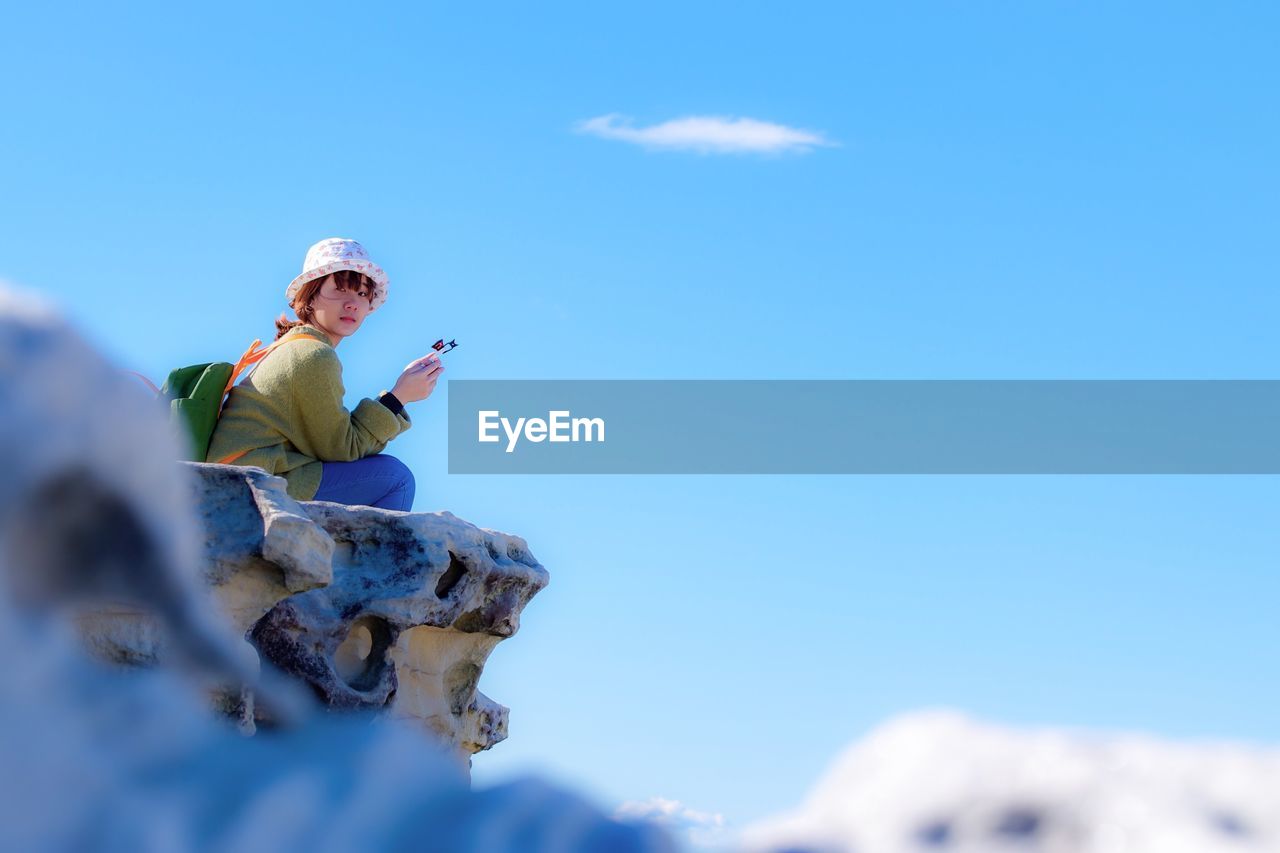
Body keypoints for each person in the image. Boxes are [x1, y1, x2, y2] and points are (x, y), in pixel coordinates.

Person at [206, 238, 443, 511]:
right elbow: (343, 450)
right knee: (395, 478)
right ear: (310, 295)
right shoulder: (312, 355)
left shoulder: (293, 346)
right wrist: (397, 398)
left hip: (240, 478)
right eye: (340, 290)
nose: (352, 303)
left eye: (363, 294)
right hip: (248, 487)